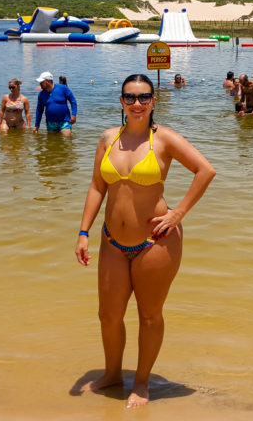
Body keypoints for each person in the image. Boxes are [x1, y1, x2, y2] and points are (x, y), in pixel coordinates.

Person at [76, 74, 215, 408]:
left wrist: (177, 214)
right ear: (121, 102)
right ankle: (111, 374)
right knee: (107, 315)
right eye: (129, 97)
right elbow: (98, 186)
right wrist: (83, 232)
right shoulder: (108, 138)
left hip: (155, 242)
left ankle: (141, 383)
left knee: (150, 315)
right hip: (111, 240)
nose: (136, 104)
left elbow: (205, 170)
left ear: (154, 101)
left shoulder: (164, 139)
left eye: (143, 97)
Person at [34, 70, 77, 136]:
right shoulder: (41, 94)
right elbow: (39, 111)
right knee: (52, 143)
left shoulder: (63, 88)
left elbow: (73, 101)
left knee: (67, 141)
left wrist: (73, 115)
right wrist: (37, 125)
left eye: (41, 82)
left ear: (48, 81)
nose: (40, 84)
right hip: (50, 123)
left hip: (64, 122)